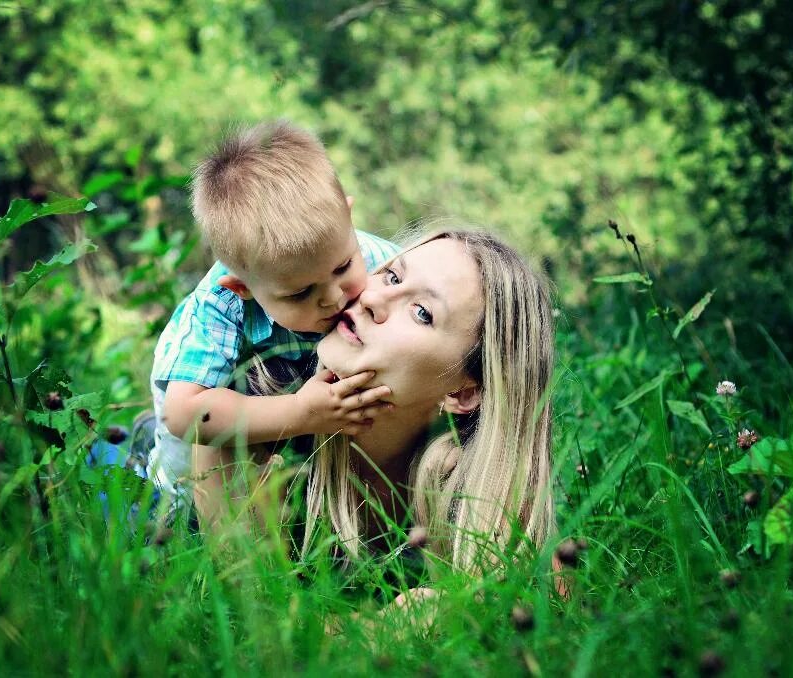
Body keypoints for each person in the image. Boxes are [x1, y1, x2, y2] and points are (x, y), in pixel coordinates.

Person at [257, 228, 557, 576]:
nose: (371, 300)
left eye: (421, 313)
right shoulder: (256, 408)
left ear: (464, 392)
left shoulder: (469, 491)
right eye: (392, 276)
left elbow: (549, 587)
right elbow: (248, 614)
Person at [148, 120, 399, 516]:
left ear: (348, 218)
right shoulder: (220, 307)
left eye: (341, 268)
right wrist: (300, 414)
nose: (333, 298)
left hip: (300, 454)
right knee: (162, 511)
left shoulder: (378, 259)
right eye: (301, 293)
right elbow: (184, 413)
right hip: (192, 489)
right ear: (243, 287)